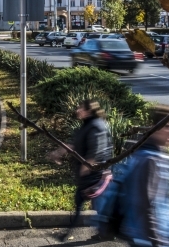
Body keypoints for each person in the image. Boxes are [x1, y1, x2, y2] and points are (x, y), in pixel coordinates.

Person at [119, 105, 169, 247]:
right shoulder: (150, 160)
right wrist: (156, 239)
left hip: (149, 234)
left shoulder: (148, 153)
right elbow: (145, 204)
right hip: (149, 237)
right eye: (168, 126)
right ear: (155, 128)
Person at [49, 100, 112, 240]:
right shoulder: (87, 125)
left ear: (89, 111)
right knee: (87, 203)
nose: (77, 110)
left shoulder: (96, 126)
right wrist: (59, 152)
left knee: (95, 205)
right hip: (89, 175)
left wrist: (86, 167)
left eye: (80, 108)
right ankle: (69, 234)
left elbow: (98, 150)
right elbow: (75, 144)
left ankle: (107, 232)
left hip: (96, 175)